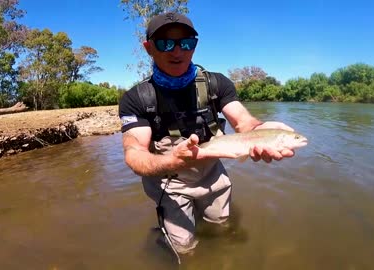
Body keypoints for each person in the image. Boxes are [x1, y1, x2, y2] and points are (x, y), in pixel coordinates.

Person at [118, 12, 296, 255]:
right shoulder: (136, 99)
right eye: (166, 43)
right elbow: (134, 153)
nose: (177, 51)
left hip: (212, 175)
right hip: (169, 183)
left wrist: (260, 131)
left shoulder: (217, 84)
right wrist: (172, 160)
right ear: (149, 48)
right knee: (185, 248)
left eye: (186, 43)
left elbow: (244, 121)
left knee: (221, 230)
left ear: (195, 45)